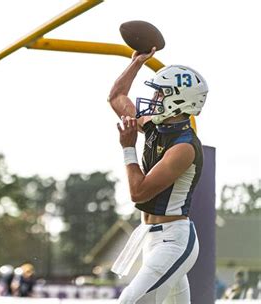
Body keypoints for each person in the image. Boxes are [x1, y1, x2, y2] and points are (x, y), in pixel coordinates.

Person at [107, 47, 208, 303]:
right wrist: (136, 63)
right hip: (151, 239)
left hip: (174, 241)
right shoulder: (157, 127)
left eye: (160, 92)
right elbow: (117, 97)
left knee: (130, 301)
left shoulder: (184, 147)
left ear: (178, 100)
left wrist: (128, 148)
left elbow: (138, 192)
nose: (154, 97)